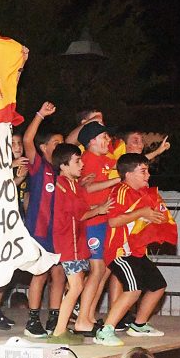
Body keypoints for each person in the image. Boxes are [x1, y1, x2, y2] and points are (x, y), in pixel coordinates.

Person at [94, 154, 168, 347]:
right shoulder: (121, 191)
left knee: (158, 285)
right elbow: (113, 220)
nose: (148, 175)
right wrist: (142, 213)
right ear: (128, 174)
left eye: (148, 171)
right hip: (120, 252)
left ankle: (139, 324)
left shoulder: (143, 193)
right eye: (143, 171)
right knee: (133, 289)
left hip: (137, 251)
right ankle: (105, 330)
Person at [48, 143, 112, 344]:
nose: (82, 164)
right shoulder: (61, 185)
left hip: (75, 241)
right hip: (68, 243)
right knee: (75, 287)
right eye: (77, 161)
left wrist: (98, 207)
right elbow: (81, 212)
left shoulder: (73, 184)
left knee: (74, 286)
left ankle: (61, 328)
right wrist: (100, 209)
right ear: (63, 165)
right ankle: (58, 331)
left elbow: (82, 208)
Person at [22, 101, 65, 338]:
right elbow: (28, 140)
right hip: (38, 231)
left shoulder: (63, 172)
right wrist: (40, 115)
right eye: (56, 143)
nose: (61, 146)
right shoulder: (39, 166)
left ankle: (55, 317)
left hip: (57, 232)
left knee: (58, 274)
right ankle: (32, 319)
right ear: (44, 147)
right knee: (40, 274)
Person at [73, 122, 119, 337]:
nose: (107, 141)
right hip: (93, 220)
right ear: (90, 141)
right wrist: (118, 179)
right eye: (103, 137)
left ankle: (89, 315)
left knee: (105, 270)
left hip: (106, 220)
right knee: (97, 270)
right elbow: (88, 187)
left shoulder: (109, 160)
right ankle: (82, 319)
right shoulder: (87, 160)